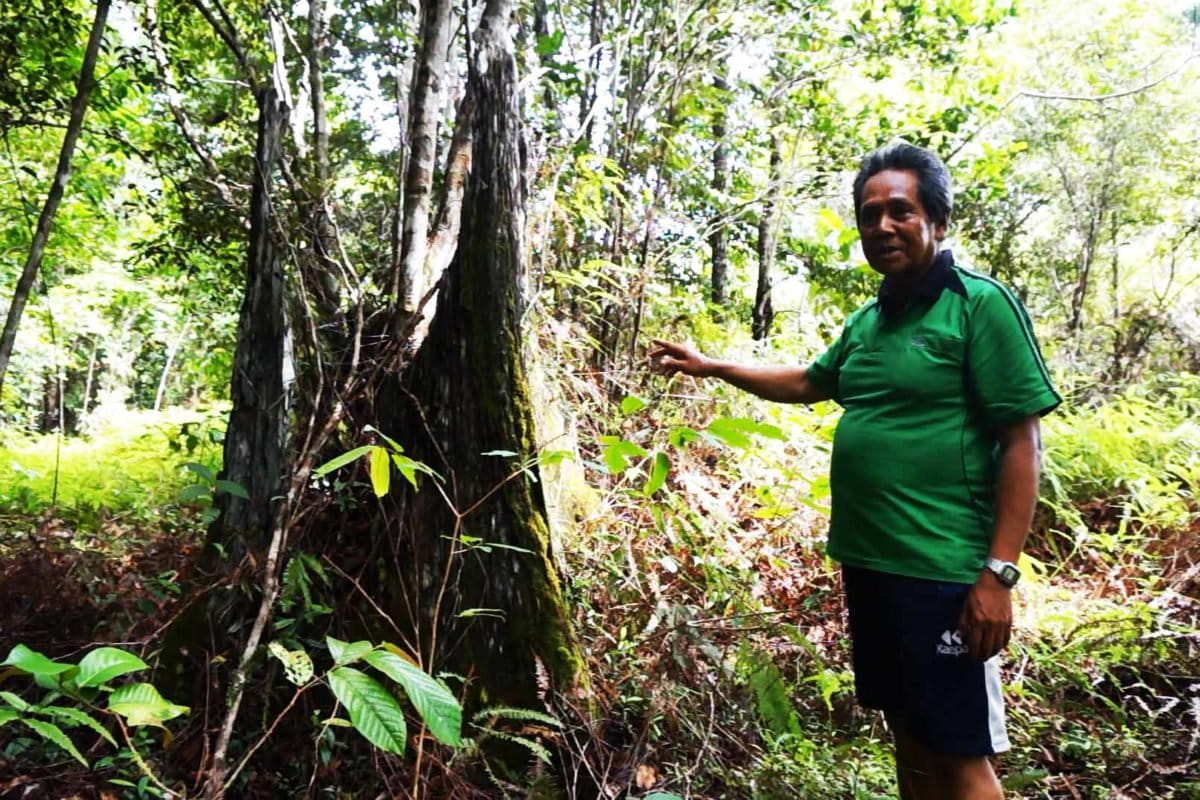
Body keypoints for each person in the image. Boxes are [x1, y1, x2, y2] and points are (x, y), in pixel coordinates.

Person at [649, 142, 1061, 800]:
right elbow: (812, 380)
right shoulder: (869, 322)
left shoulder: (979, 305)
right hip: (873, 567)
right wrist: (715, 366)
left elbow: (1022, 443)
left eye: (901, 210)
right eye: (870, 215)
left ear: (938, 221)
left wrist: (998, 574)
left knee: (959, 753)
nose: (883, 227)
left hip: (946, 574)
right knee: (909, 733)